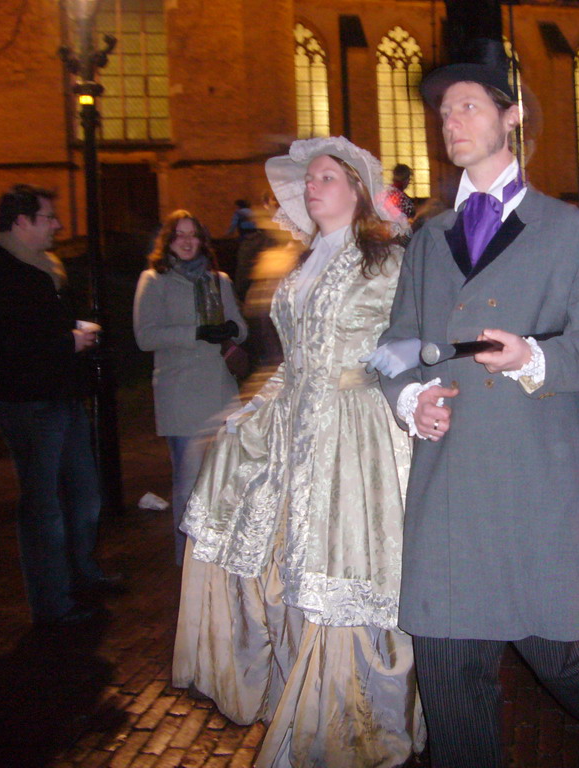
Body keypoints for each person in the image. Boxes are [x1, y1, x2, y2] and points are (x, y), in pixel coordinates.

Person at [377, 43, 579, 768]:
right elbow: (392, 347)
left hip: (533, 481)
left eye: (467, 105)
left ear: (511, 116)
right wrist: (411, 399)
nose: (449, 121)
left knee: (561, 652)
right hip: (448, 487)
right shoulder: (428, 240)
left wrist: (534, 359)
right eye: (443, 110)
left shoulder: (574, 234)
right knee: (449, 671)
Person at [173, 136, 424, 767]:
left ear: (358, 191)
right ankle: (305, 707)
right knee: (285, 563)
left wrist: (413, 383)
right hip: (297, 433)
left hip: (355, 433)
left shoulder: (387, 260)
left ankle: (359, 722)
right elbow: (296, 361)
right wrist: (252, 406)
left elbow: (413, 337)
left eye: (327, 177)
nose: (313, 187)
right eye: (308, 179)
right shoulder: (305, 261)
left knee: (345, 567)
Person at [0, 184, 122, 628]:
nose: (57, 224)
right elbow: (7, 346)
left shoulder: (43, 270)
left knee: (84, 496)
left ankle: (81, 574)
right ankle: (52, 602)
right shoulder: (1, 277)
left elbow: (37, 330)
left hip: (61, 399)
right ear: (22, 223)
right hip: (31, 405)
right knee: (44, 508)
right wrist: (68, 341)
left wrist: (72, 334)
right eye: (47, 217)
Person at [133, 210, 247, 565]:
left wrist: (229, 329)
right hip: (180, 393)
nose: (186, 241)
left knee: (226, 477)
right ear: (168, 241)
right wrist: (195, 333)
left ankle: (221, 557)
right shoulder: (154, 280)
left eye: (193, 235)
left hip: (220, 390)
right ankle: (188, 562)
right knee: (189, 483)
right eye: (179, 235)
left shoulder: (219, 280)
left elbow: (242, 329)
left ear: (202, 241)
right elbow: (145, 336)